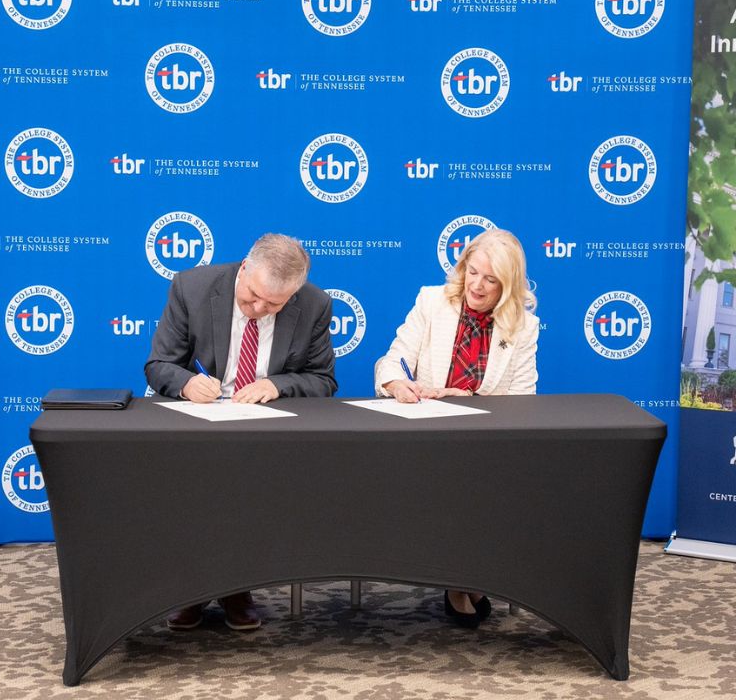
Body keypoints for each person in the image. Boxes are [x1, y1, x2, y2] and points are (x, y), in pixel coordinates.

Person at [145, 233, 337, 631]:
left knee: (253, 482)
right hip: (203, 422)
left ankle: (239, 587)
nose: (259, 309)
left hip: (270, 430)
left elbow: (323, 380)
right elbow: (159, 364)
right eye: (253, 297)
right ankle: (192, 590)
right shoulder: (192, 287)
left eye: (275, 304)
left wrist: (277, 385)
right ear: (245, 267)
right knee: (198, 479)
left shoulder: (315, 304)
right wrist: (185, 384)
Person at [374, 228, 538, 628]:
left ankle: (467, 576)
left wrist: (471, 403)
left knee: (483, 481)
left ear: (508, 285)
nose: (477, 286)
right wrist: (397, 384)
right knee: (450, 481)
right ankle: (461, 579)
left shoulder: (524, 326)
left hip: (488, 444)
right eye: (473, 272)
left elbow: (525, 401)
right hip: (430, 442)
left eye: (491, 279)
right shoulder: (432, 301)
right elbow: (390, 361)